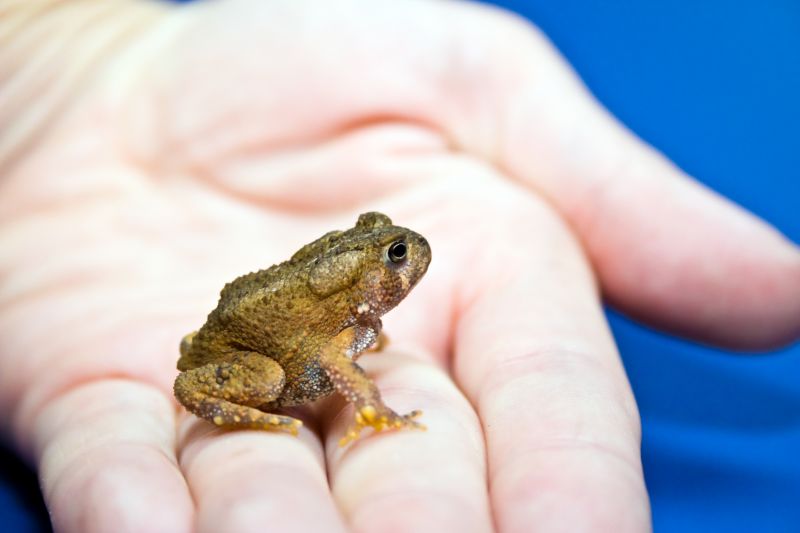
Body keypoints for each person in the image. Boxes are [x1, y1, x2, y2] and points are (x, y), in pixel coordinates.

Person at [1, 0, 798, 531]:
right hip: (241, 346)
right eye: (392, 253)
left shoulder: (354, 307)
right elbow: (322, 359)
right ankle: (255, 410)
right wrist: (372, 408)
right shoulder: (337, 319)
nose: (406, 255)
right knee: (277, 381)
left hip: (273, 309)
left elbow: (340, 338)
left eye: (390, 243)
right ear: (371, 277)